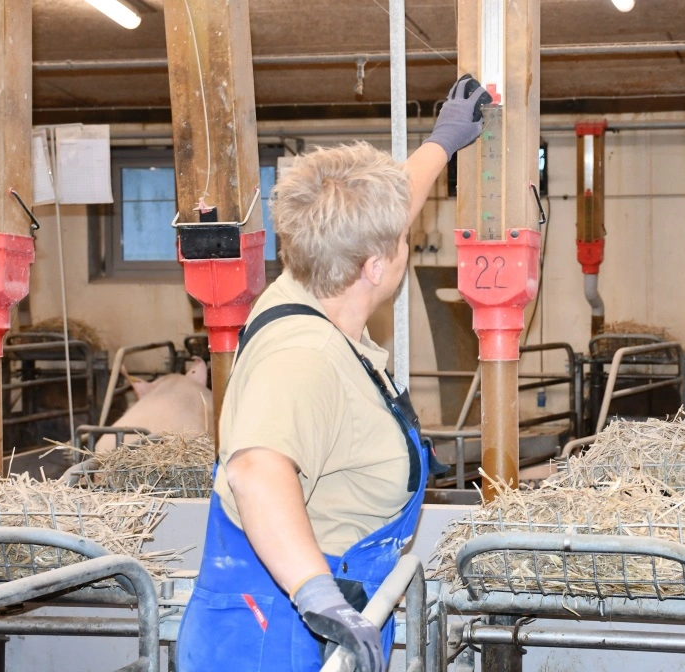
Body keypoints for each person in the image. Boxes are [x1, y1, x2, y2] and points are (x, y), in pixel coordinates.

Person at [176, 75, 491, 672]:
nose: (406, 239)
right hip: (280, 635)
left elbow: (378, 216)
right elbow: (255, 471)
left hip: (322, 617)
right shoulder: (305, 357)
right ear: (375, 266)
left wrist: (442, 143)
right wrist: (320, 598)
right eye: (402, 240)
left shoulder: (306, 277)